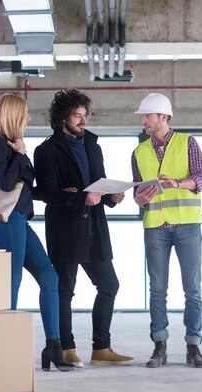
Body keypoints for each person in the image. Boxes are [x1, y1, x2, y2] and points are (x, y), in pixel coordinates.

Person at [33, 88, 134, 367]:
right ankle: (66, 348)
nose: (82, 120)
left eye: (84, 114)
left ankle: (101, 349)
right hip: (66, 230)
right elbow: (46, 193)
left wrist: (112, 196)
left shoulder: (93, 145)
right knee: (65, 290)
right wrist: (80, 198)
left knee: (109, 284)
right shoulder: (46, 151)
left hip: (95, 229)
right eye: (76, 115)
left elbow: (97, 183)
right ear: (62, 117)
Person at [0, 93, 74, 372]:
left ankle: (53, 347)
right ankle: (2, 348)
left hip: (19, 218)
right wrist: (21, 155)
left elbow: (26, 189)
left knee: (49, 276)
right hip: (5, 219)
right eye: (25, 113)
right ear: (12, 115)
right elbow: (7, 183)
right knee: (13, 278)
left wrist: (58, 192)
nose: (29, 118)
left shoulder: (13, 145)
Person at [131, 93, 202, 368]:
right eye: (143, 116)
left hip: (187, 225)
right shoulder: (139, 152)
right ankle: (159, 347)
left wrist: (177, 182)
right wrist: (140, 198)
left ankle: (193, 346)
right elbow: (138, 194)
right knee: (157, 290)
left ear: (163, 117)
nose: (144, 120)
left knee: (193, 289)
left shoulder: (187, 143)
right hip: (155, 227)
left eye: (148, 116)